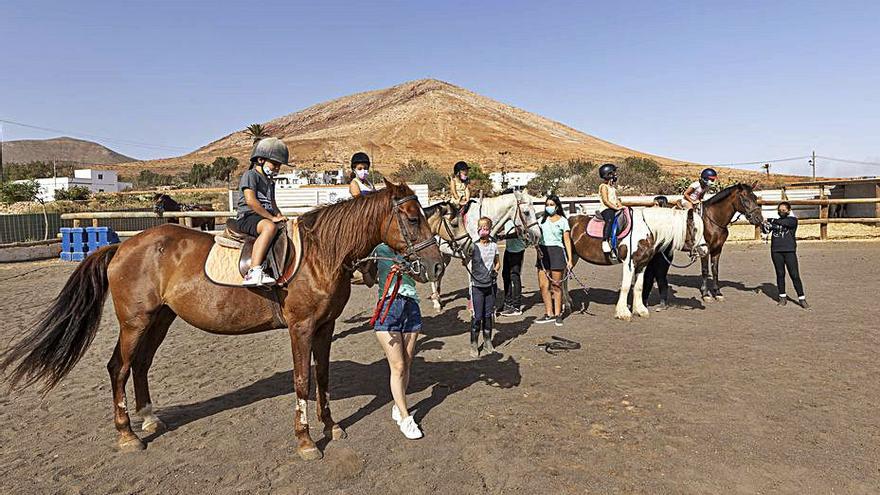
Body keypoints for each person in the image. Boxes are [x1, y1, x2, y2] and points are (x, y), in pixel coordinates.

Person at [369, 243, 424, 439]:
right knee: (398, 365)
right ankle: (406, 418)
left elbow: (424, 277)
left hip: (411, 306)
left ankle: (398, 405)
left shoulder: (412, 249)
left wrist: (408, 268)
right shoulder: (379, 249)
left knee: (407, 362)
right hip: (388, 306)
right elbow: (366, 277)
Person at [236, 137, 289, 286]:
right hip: (248, 216)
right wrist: (271, 219)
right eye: (275, 164)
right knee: (269, 227)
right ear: (260, 160)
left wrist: (279, 216)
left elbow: (272, 204)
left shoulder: (270, 182)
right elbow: (251, 201)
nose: (277, 169)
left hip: (263, 217)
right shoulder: (250, 175)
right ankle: (254, 271)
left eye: (280, 166)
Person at [762, 202, 809, 309]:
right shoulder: (774, 223)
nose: (781, 212)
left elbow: (786, 223)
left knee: (794, 275)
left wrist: (771, 220)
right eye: (779, 210)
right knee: (780, 274)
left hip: (789, 251)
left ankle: (801, 298)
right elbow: (765, 231)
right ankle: (782, 297)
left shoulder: (792, 220)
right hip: (776, 251)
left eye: (783, 210)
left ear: (788, 210)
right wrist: (764, 224)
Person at [535, 195, 573, 326]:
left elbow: (567, 240)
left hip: (557, 252)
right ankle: (548, 313)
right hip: (543, 253)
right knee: (543, 286)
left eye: (551, 204)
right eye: (547, 204)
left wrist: (570, 259)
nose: (549, 207)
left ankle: (558, 314)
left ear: (557, 206)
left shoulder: (563, 221)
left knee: (556, 285)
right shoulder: (541, 220)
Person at [466, 217, 501, 357]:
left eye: (486, 227)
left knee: (488, 316)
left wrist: (495, 270)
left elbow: (498, 263)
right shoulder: (474, 246)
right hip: (477, 286)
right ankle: (474, 343)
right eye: (480, 227)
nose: (483, 229)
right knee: (477, 317)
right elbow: (466, 259)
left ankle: (487, 341)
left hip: (490, 285)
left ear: (490, 229)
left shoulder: (494, 246)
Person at [642, 196, 674, 310]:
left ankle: (663, 301)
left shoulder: (668, 220)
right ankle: (644, 300)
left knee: (661, 276)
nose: (653, 206)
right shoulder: (652, 218)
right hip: (652, 251)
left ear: (660, 205)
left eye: (655, 204)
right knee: (648, 275)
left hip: (664, 251)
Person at [500, 218, 526, 317]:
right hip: (509, 248)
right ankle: (508, 303)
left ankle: (516, 306)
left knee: (515, 276)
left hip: (517, 250)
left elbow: (519, 232)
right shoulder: (507, 217)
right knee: (505, 275)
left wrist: (502, 236)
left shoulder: (518, 217)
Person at [598, 163, 623, 259]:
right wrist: (615, 208)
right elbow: (605, 200)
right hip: (606, 208)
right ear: (608, 174)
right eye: (614, 173)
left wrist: (622, 207)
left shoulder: (612, 188)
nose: (615, 175)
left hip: (613, 207)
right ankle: (605, 241)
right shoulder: (603, 186)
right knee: (610, 219)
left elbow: (616, 200)